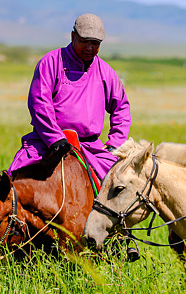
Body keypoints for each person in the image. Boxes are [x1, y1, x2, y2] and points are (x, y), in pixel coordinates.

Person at [8, 13, 131, 181]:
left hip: (90, 148)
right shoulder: (51, 62)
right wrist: (54, 138)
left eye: (95, 44)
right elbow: (39, 103)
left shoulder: (105, 72)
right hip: (46, 142)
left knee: (118, 189)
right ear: (73, 36)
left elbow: (121, 108)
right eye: (84, 41)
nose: (89, 48)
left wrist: (115, 144)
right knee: (13, 187)